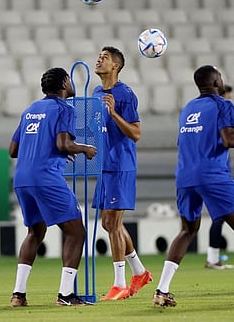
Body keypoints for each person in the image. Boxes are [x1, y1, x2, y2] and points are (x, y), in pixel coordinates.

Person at [152, 65, 234, 308]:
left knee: (187, 231)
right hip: (212, 174)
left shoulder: (188, 108)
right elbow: (229, 139)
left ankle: (161, 290)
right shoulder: (223, 105)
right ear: (216, 81)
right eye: (221, 76)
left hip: (185, 176)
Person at [9, 67, 97, 307]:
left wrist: (47, 149)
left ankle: (19, 294)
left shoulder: (30, 110)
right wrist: (84, 148)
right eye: (69, 81)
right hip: (46, 177)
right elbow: (63, 143)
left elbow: (13, 150)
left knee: (34, 233)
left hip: (22, 178)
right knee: (76, 232)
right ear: (64, 83)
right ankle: (66, 295)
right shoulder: (64, 108)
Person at [91, 46, 152, 301]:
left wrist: (114, 113)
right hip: (104, 165)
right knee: (108, 223)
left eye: (104, 57)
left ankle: (119, 284)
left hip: (121, 164)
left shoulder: (124, 94)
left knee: (113, 224)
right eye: (99, 56)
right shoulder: (95, 92)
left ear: (115, 65)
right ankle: (139, 272)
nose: (99, 59)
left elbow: (136, 133)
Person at [206, 84, 234, 270]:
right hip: (215, 175)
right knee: (220, 217)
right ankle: (212, 259)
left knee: (219, 217)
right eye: (228, 97)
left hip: (218, 173)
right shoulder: (220, 116)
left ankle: (213, 258)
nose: (230, 101)